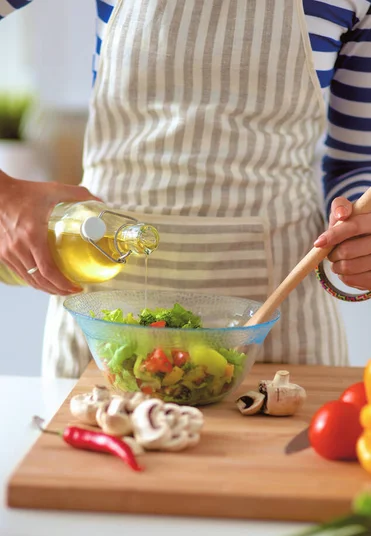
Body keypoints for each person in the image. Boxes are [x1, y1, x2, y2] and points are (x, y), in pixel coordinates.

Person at [1, 0, 371, 378]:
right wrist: (4, 197)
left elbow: (356, 160)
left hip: (281, 322)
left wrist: (360, 229)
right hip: (102, 329)